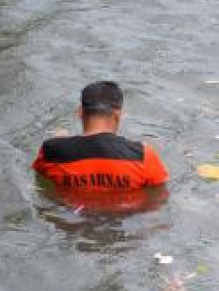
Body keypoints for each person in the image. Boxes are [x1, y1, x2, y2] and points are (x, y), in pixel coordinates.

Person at [32, 81, 169, 213]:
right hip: (123, 224)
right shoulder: (143, 155)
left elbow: (42, 189)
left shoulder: (51, 152)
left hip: (72, 224)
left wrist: (58, 140)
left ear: (80, 112)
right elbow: (158, 202)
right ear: (118, 114)